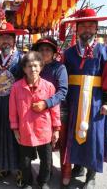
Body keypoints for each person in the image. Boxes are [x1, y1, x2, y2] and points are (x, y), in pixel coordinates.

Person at [62, 8, 107, 188]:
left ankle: (91, 175)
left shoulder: (104, 51)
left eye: (90, 25)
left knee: (94, 138)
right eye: (83, 26)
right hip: (74, 100)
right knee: (74, 134)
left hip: (95, 102)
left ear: (96, 28)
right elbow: (63, 77)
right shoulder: (69, 53)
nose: (87, 29)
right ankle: (78, 166)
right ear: (77, 29)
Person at [9, 51, 61, 189]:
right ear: (24, 69)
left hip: (44, 129)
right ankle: (27, 181)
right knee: (25, 161)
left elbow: (55, 109)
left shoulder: (49, 86)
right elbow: (12, 110)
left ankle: (43, 181)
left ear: (41, 67)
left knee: (47, 160)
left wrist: (56, 129)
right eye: (29, 66)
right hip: (25, 129)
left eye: (36, 66)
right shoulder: (16, 87)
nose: (33, 69)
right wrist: (15, 128)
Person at [0, 21, 27, 184]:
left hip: (15, 105)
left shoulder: (22, 60)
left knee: (16, 137)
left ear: (14, 40)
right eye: (2, 38)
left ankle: (19, 170)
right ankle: (2, 166)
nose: (5, 42)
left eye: (8, 38)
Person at [31, 36, 69, 185]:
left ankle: (66, 171)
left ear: (54, 52)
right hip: (40, 113)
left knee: (61, 143)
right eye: (41, 49)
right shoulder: (34, 67)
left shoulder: (60, 68)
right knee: (45, 145)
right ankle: (48, 170)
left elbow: (63, 91)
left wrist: (47, 103)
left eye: (48, 49)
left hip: (58, 111)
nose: (44, 52)